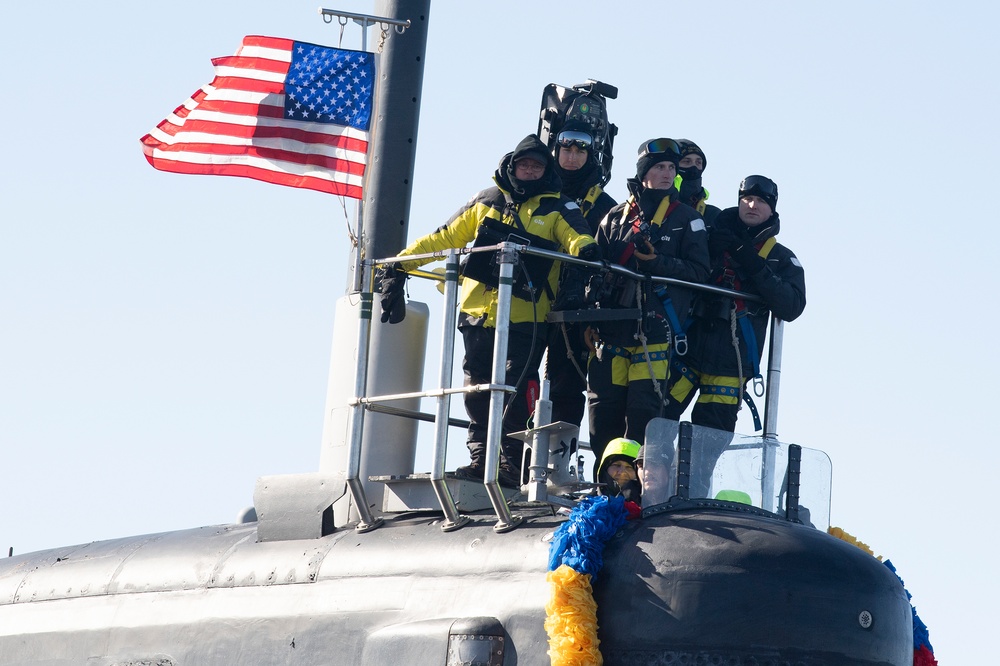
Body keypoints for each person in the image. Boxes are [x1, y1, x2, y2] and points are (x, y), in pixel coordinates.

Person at [380, 135, 600, 487]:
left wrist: (587, 251)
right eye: (524, 164)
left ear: (546, 171)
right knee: (475, 392)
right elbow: (444, 237)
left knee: (512, 392)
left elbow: (576, 236)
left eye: (537, 166)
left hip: (526, 317)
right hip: (477, 313)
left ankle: (512, 466)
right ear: (512, 166)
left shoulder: (558, 206)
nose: (529, 170)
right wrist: (400, 266)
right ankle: (481, 461)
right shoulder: (486, 200)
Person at [663, 175, 806, 494]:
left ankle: (690, 505)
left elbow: (792, 305)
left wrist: (751, 263)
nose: (752, 205)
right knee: (656, 429)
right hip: (684, 354)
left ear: (772, 209)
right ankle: (642, 495)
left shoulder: (781, 259)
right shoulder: (709, 238)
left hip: (730, 368)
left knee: (705, 451)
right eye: (746, 199)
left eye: (760, 201)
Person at [586, 138, 710, 478]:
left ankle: (643, 488)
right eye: (659, 167)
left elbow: (701, 273)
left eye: (672, 167)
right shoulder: (614, 217)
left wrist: (659, 263)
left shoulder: (688, 220)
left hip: (655, 334)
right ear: (643, 174)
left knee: (645, 417)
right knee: (603, 414)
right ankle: (607, 485)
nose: (668, 173)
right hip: (610, 333)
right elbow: (594, 270)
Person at [545, 121, 618, 432]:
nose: (572, 157)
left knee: (566, 383)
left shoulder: (606, 207)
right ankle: (514, 460)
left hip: (577, 310)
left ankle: (556, 461)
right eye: (566, 149)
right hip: (534, 300)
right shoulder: (538, 193)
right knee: (518, 381)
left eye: (579, 151)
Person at [674, 139, 721, 227]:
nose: (694, 167)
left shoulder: (713, 215)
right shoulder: (656, 207)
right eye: (687, 161)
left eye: (698, 162)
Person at [595, 437, 641, 502]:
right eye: (616, 465)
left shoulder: (651, 506)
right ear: (604, 468)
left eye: (629, 467)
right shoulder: (584, 506)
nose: (621, 472)